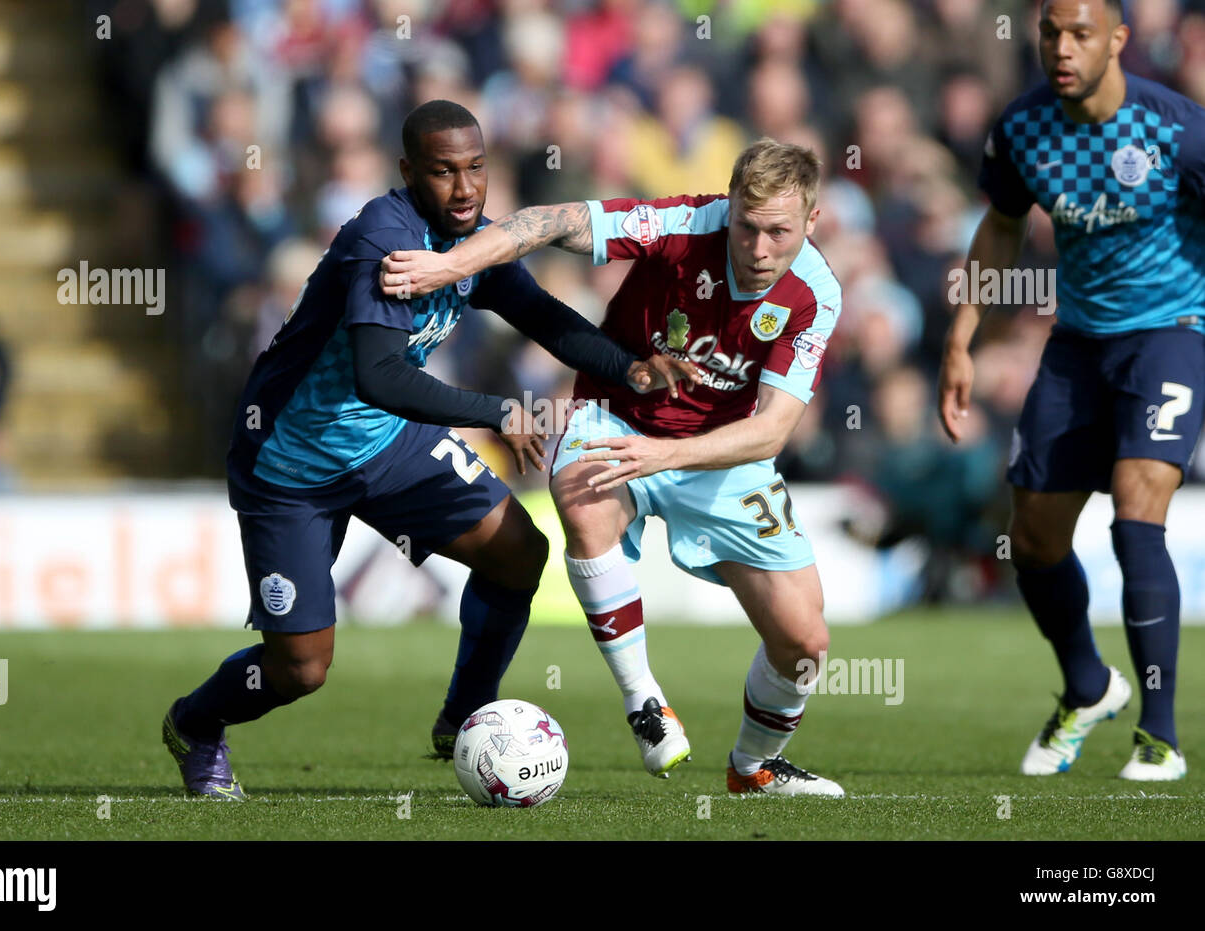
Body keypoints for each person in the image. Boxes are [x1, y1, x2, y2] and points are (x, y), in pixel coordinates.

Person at [162, 99, 692, 799]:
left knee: (517, 552)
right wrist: (499, 411)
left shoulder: (471, 237)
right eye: (445, 172)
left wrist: (630, 368)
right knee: (300, 669)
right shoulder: (384, 240)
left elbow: (538, 313)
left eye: (477, 168)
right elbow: (379, 375)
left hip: (388, 445)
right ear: (410, 172)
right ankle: (195, 723)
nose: (467, 188)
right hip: (291, 463)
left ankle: (464, 716)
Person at [382, 138, 848, 796]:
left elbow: (770, 431)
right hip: (619, 416)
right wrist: (444, 265)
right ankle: (645, 703)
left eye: (780, 231)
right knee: (580, 487)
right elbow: (547, 221)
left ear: (813, 220)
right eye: (747, 224)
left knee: (804, 642)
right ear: (729, 207)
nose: (759, 246)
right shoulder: (685, 224)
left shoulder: (816, 294)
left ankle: (755, 768)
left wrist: (667, 455)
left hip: (720, 453)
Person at [938, 0, 1203, 780]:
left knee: (1135, 513)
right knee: (1034, 540)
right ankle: (1087, 686)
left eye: (1081, 32)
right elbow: (1003, 226)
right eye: (1051, 31)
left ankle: (1160, 735)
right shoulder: (1022, 129)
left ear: (1118, 41)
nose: (1062, 47)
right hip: (1078, 344)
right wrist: (962, 338)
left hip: (1171, 333)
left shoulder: (1177, 129)